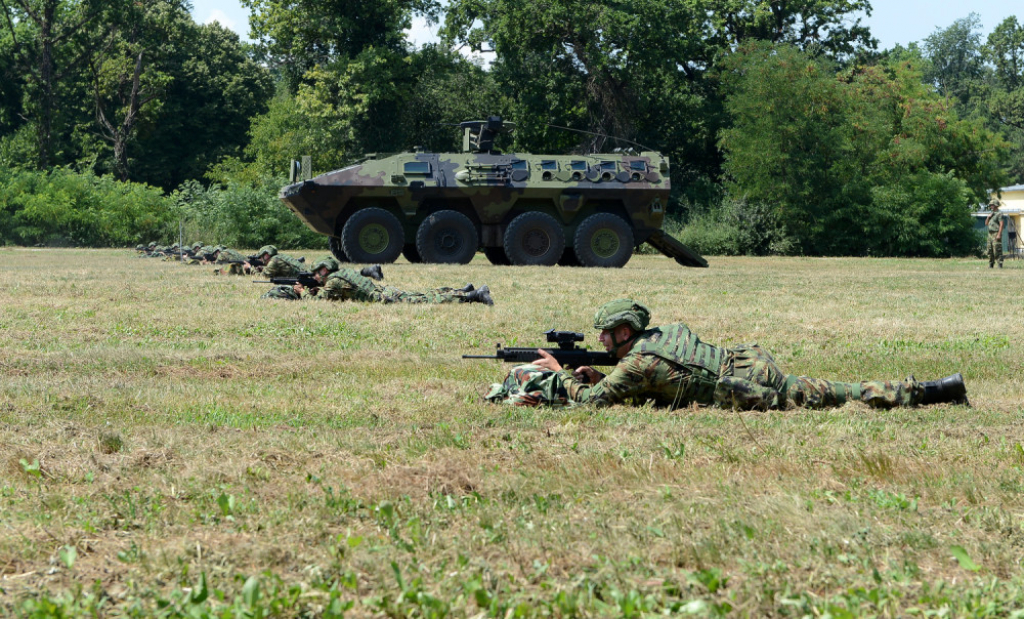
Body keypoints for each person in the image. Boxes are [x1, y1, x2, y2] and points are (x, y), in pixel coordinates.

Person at [486, 299, 968, 410]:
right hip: (747, 359)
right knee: (830, 389)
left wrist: (559, 373)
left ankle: (924, 393)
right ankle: (934, 389)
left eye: (607, 336)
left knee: (833, 396)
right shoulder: (664, 332)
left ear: (625, 332)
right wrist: (593, 371)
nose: (603, 341)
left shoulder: (639, 362)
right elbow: (646, 380)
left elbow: (593, 405)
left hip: (742, 387)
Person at [262, 261, 492, 305]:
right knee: (423, 295)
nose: (316, 277)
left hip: (385, 299)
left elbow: (321, 300)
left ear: (324, 272)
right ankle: (462, 290)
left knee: (427, 300)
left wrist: (303, 293)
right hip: (385, 291)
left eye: (317, 273)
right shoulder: (343, 273)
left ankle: (473, 296)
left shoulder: (332, 282)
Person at [986, 199, 1007, 268]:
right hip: (990, 234)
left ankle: (1000, 264)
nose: (991, 206)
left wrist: (999, 234)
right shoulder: (991, 214)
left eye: (992, 205)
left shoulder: (999, 214)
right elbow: (986, 224)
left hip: (995, 233)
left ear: (996, 205)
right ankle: (991, 264)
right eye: (990, 205)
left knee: (997, 249)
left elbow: (1001, 224)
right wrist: (988, 217)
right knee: (990, 249)